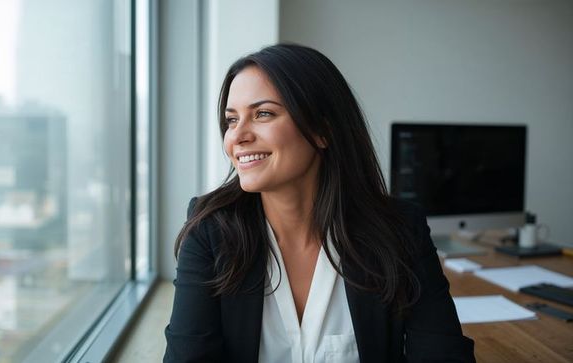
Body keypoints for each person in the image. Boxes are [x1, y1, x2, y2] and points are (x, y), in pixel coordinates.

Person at [164, 44, 475, 363]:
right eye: (231, 120)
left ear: (322, 129)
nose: (238, 136)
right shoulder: (209, 232)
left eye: (263, 114)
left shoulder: (399, 231)